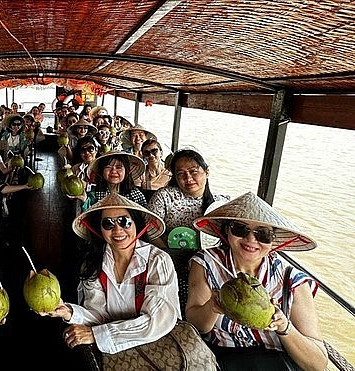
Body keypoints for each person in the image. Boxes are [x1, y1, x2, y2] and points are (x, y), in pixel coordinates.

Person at [186, 192, 327, 370]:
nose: (251, 239)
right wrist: (212, 307)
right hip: (221, 360)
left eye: (263, 234)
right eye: (240, 229)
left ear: (273, 240)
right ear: (227, 229)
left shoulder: (291, 280)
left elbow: (318, 364)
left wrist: (283, 326)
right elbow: (196, 324)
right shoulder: (206, 262)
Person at [39, 193, 180, 354]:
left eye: (125, 221)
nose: (118, 230)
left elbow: (157, 321)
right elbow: (99, 317)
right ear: (98, 229)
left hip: (160, 350)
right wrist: (69, 312)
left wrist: (97, 334)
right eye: (108, 224)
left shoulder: (158, 261)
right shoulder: (93, 264)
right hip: (117, 355)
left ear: (136, 224)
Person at [147, 149, 230, 249]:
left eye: (193, 171)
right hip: (167, 254)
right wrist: (170, 254)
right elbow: (150, 231)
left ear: (207, 172)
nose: (188, 178)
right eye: (181, 173)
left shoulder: (220, 204)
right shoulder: (164, 197)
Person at [76, 151, 147, 210]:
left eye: (118, 167)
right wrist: (85, 200)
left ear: (126, 171)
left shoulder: (136, 195)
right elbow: (89, 217)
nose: (113, 171)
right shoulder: (94, 195)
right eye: (108, 167)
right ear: (101, 171)